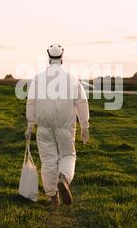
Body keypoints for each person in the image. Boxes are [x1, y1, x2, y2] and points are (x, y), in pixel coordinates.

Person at [25, 43, 90, 206]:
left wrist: (30, 124)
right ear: (62, 57)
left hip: (44, 126)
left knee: (48, 160)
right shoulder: (72, 78)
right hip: (66, 126)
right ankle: (64, 178)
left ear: (48, 57)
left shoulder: (38, 79)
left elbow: (31, 102)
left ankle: (53, 196)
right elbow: (82, 102)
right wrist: (84, 125)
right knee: (68, 155)